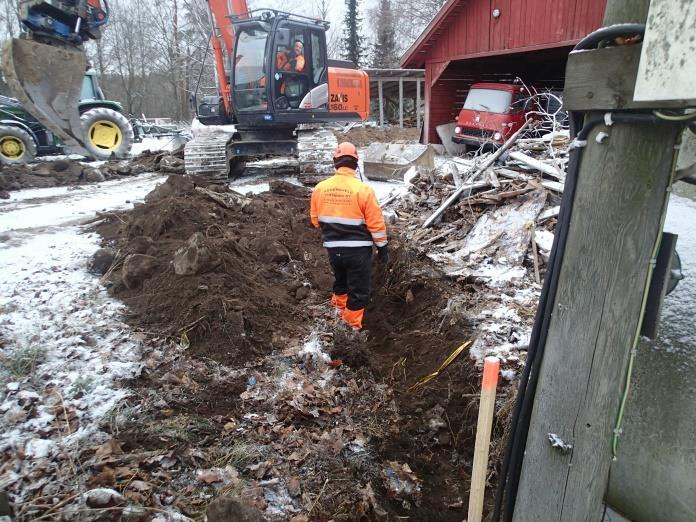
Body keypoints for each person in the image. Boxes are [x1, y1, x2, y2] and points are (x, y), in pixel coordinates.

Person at [310, 142, 388, 330]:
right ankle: (350, 329)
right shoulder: (364, 190)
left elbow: (315, 221)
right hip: (358, 252)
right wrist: (382, 248)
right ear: (355, 164)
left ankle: (337, 313)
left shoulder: (320, 188)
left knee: (341, 281)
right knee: (359, 290)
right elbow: (376, 224)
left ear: (335, 162)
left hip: (333, 249)